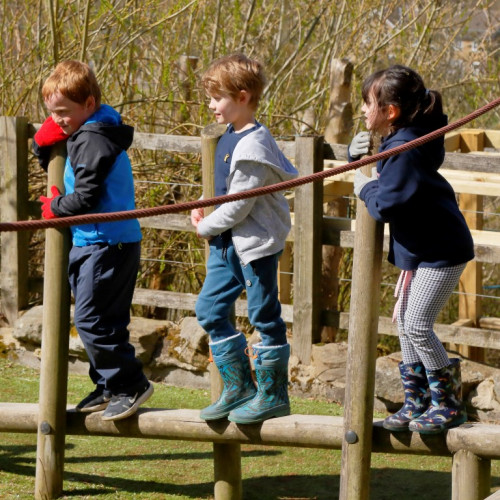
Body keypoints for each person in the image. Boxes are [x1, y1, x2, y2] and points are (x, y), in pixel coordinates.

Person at [349, 65, 474, 434]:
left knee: (418, 324)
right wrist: (357, 158)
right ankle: (417, 401)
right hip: (422, 248)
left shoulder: (406, 148)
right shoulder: (401, 139)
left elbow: (386, 203)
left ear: (390, 111)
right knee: (404, 323)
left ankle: (448, 403)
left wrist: (364, 186)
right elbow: (384, 174)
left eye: (367, 104)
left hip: (441, 249)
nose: (362, 111)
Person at [33, 60, 153, 421]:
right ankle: (108, 385)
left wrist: (54, 206)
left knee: (91, 320)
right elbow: (77, 171)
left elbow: (86, 196)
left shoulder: (92, 137)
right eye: (52, 114)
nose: (58, 120)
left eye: (63, 113)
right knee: (103, 319)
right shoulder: (91, 130)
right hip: (102, 241)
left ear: (88, 103)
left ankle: (129, 384)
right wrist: (45, 145)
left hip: (105, 242)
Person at [191, 53, 298, 424]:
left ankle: (272, 394)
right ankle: (238, 387)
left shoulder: (253, 145)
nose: (210, 106)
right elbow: (225, 194)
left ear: (241, 96)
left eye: (216, 98)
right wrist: (206, 210)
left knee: (263, 315)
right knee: (209, 309)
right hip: (225, 243)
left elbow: (239, 205)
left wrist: (206, 226)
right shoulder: (228, 137)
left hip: (252, 246)